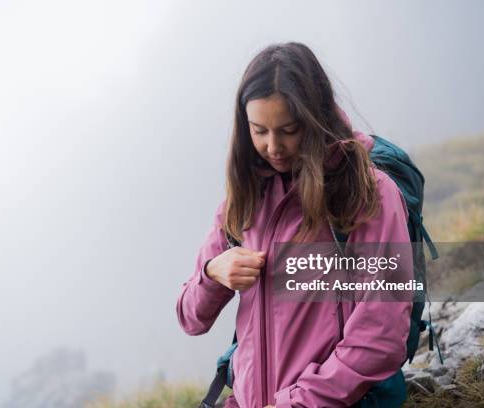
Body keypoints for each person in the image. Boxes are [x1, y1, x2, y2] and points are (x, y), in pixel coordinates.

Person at [176, 42, 413, 408]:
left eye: (289, 129)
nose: (274, 147)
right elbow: (190, 317)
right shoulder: (244, 197)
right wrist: (212, 274)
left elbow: (381, 336)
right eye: (259, 131)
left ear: (316, 117)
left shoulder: (368, 193)